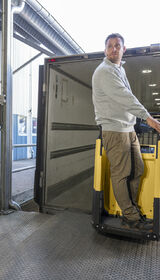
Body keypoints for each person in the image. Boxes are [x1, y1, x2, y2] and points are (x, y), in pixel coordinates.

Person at [92, 33, 160, 230]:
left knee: (138, 168)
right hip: (115, 130)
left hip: (127, 128)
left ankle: (131, 210)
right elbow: (125, 98)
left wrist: (138, 120)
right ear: (105, 50)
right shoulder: (105, 71)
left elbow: (127, 97)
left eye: (117, 45)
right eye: (110, 46)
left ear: (124, 49)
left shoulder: (118, 70)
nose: (114, 49)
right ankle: (130, 216)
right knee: (121, 174)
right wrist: (148, 118)